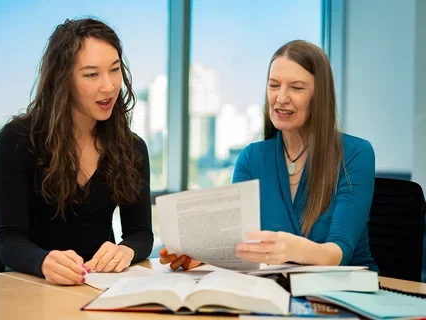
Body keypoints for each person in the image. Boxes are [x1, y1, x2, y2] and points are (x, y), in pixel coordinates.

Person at [160, 40, 378, 272]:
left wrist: (292, 248)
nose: (281, 98)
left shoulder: (356, 154)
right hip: (276, 289)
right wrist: (207, 256)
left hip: (344, 294)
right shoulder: (251, 158)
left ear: (320, 96)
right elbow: (242, 243)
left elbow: (338, 253)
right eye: (274, 85)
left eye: (296, 87)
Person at [0, 18, 154, 285]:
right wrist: (43, 261)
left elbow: (141, 234)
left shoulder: (132, 147)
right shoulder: (17, 140)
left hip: (100, 286)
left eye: (115, 70)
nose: (110, 86)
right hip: (32, 285)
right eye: (92, 74)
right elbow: (8, 239)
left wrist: (126, 250)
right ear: (62, 80)